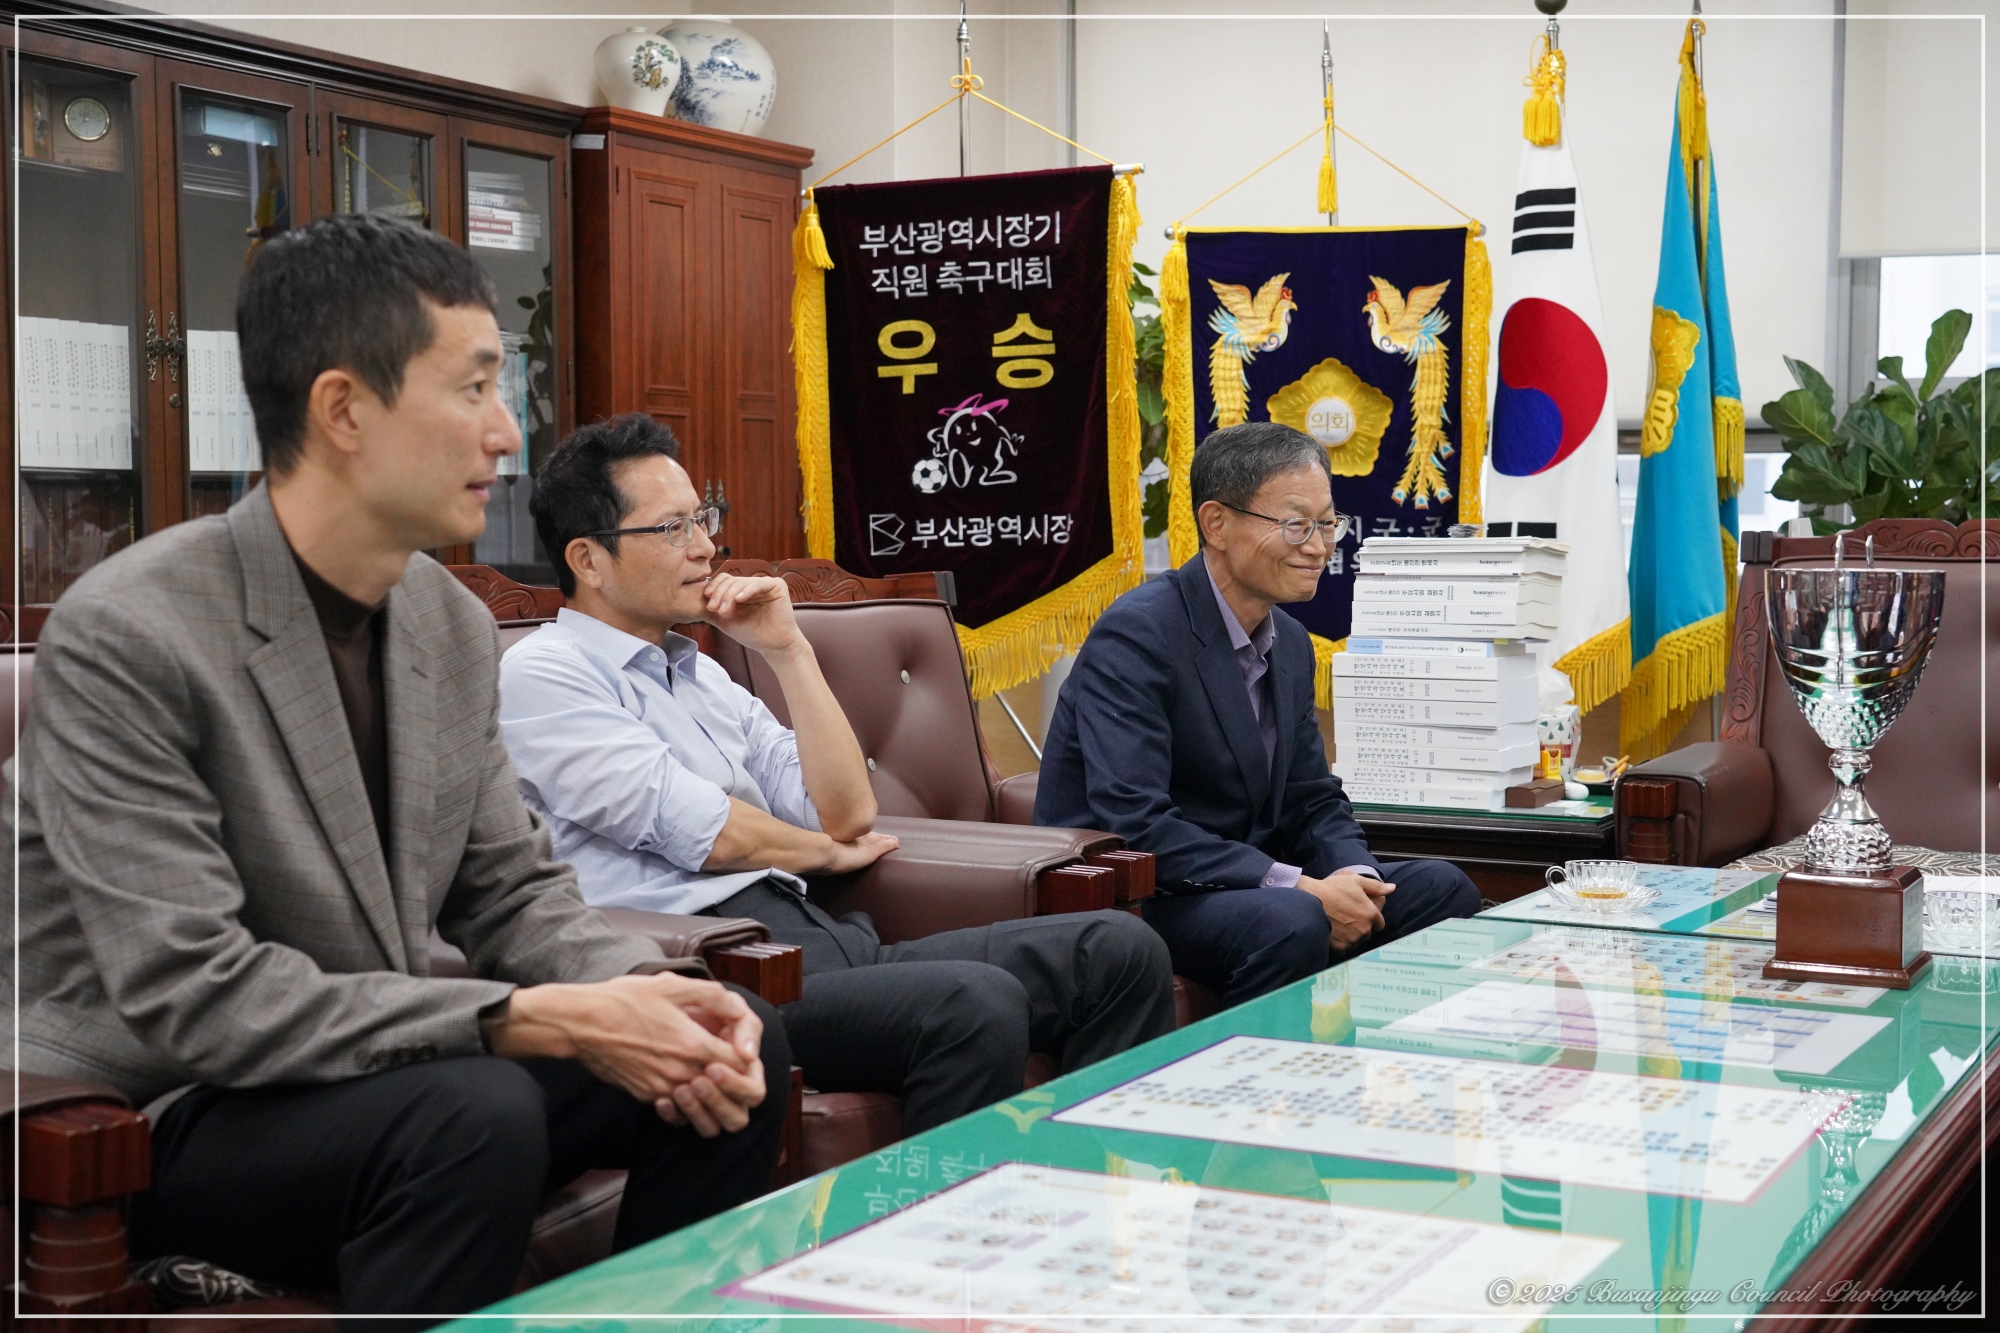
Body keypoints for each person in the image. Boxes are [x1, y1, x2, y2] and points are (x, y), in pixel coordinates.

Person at [14, 215, 790, 1316]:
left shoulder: (446, 621)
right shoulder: (133, 631)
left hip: (372, 1064)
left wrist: (638, 990)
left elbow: (510, 890)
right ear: (343, 410)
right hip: (147, 1112)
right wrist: (533, 1018)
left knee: (721, 1050)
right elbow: (197, 993)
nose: (505, 433)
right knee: (473, 1114)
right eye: (472, 389)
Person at [497, 414, 1176, 1137]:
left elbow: (848, 812)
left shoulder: (699, 674)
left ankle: (1098, 1178)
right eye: (672, 529)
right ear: (588, 559)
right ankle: (942, 1210)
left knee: (1120, 951)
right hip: (718, 969)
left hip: (820, 936)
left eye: (702, 520)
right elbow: (710, 832)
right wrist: (821, 854)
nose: (704, 546)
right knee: (973, 1001)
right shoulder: (545, 672)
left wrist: (787, 650)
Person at [1036, 421, 1480, 1007]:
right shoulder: (1138, 633)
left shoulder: (1289, 641)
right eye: (1296, 524)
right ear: (1216, 523)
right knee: (1292, 919)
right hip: (1144, 893)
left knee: (1442, 889)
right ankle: (1251, 1063)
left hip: (1257, 886)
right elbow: (1136, 823)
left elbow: (1311, 798)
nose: (1318, 547)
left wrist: (1355, 877)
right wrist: (1299, 886)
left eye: (1328, 524)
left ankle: (1371, 1054)